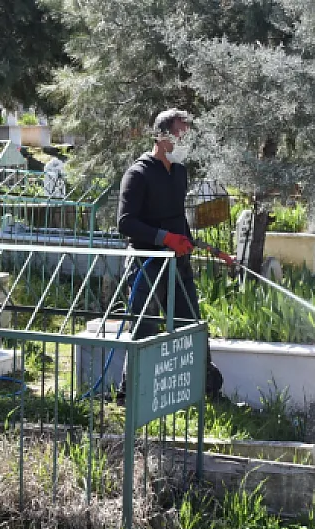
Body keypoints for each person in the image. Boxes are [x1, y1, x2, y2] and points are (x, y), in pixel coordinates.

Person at [116, 108, 224, 404]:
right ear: (161, 136)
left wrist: (187, 240)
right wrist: (164, 238)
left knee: (191, 323)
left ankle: (205, 390)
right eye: (180, 133)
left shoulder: (179, 172)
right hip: (145, 262)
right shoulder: (138, 174)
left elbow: (176, 216)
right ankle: (132, 394)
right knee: (145, 326)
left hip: (177, 261)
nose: (184, 139)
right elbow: (125, 222)